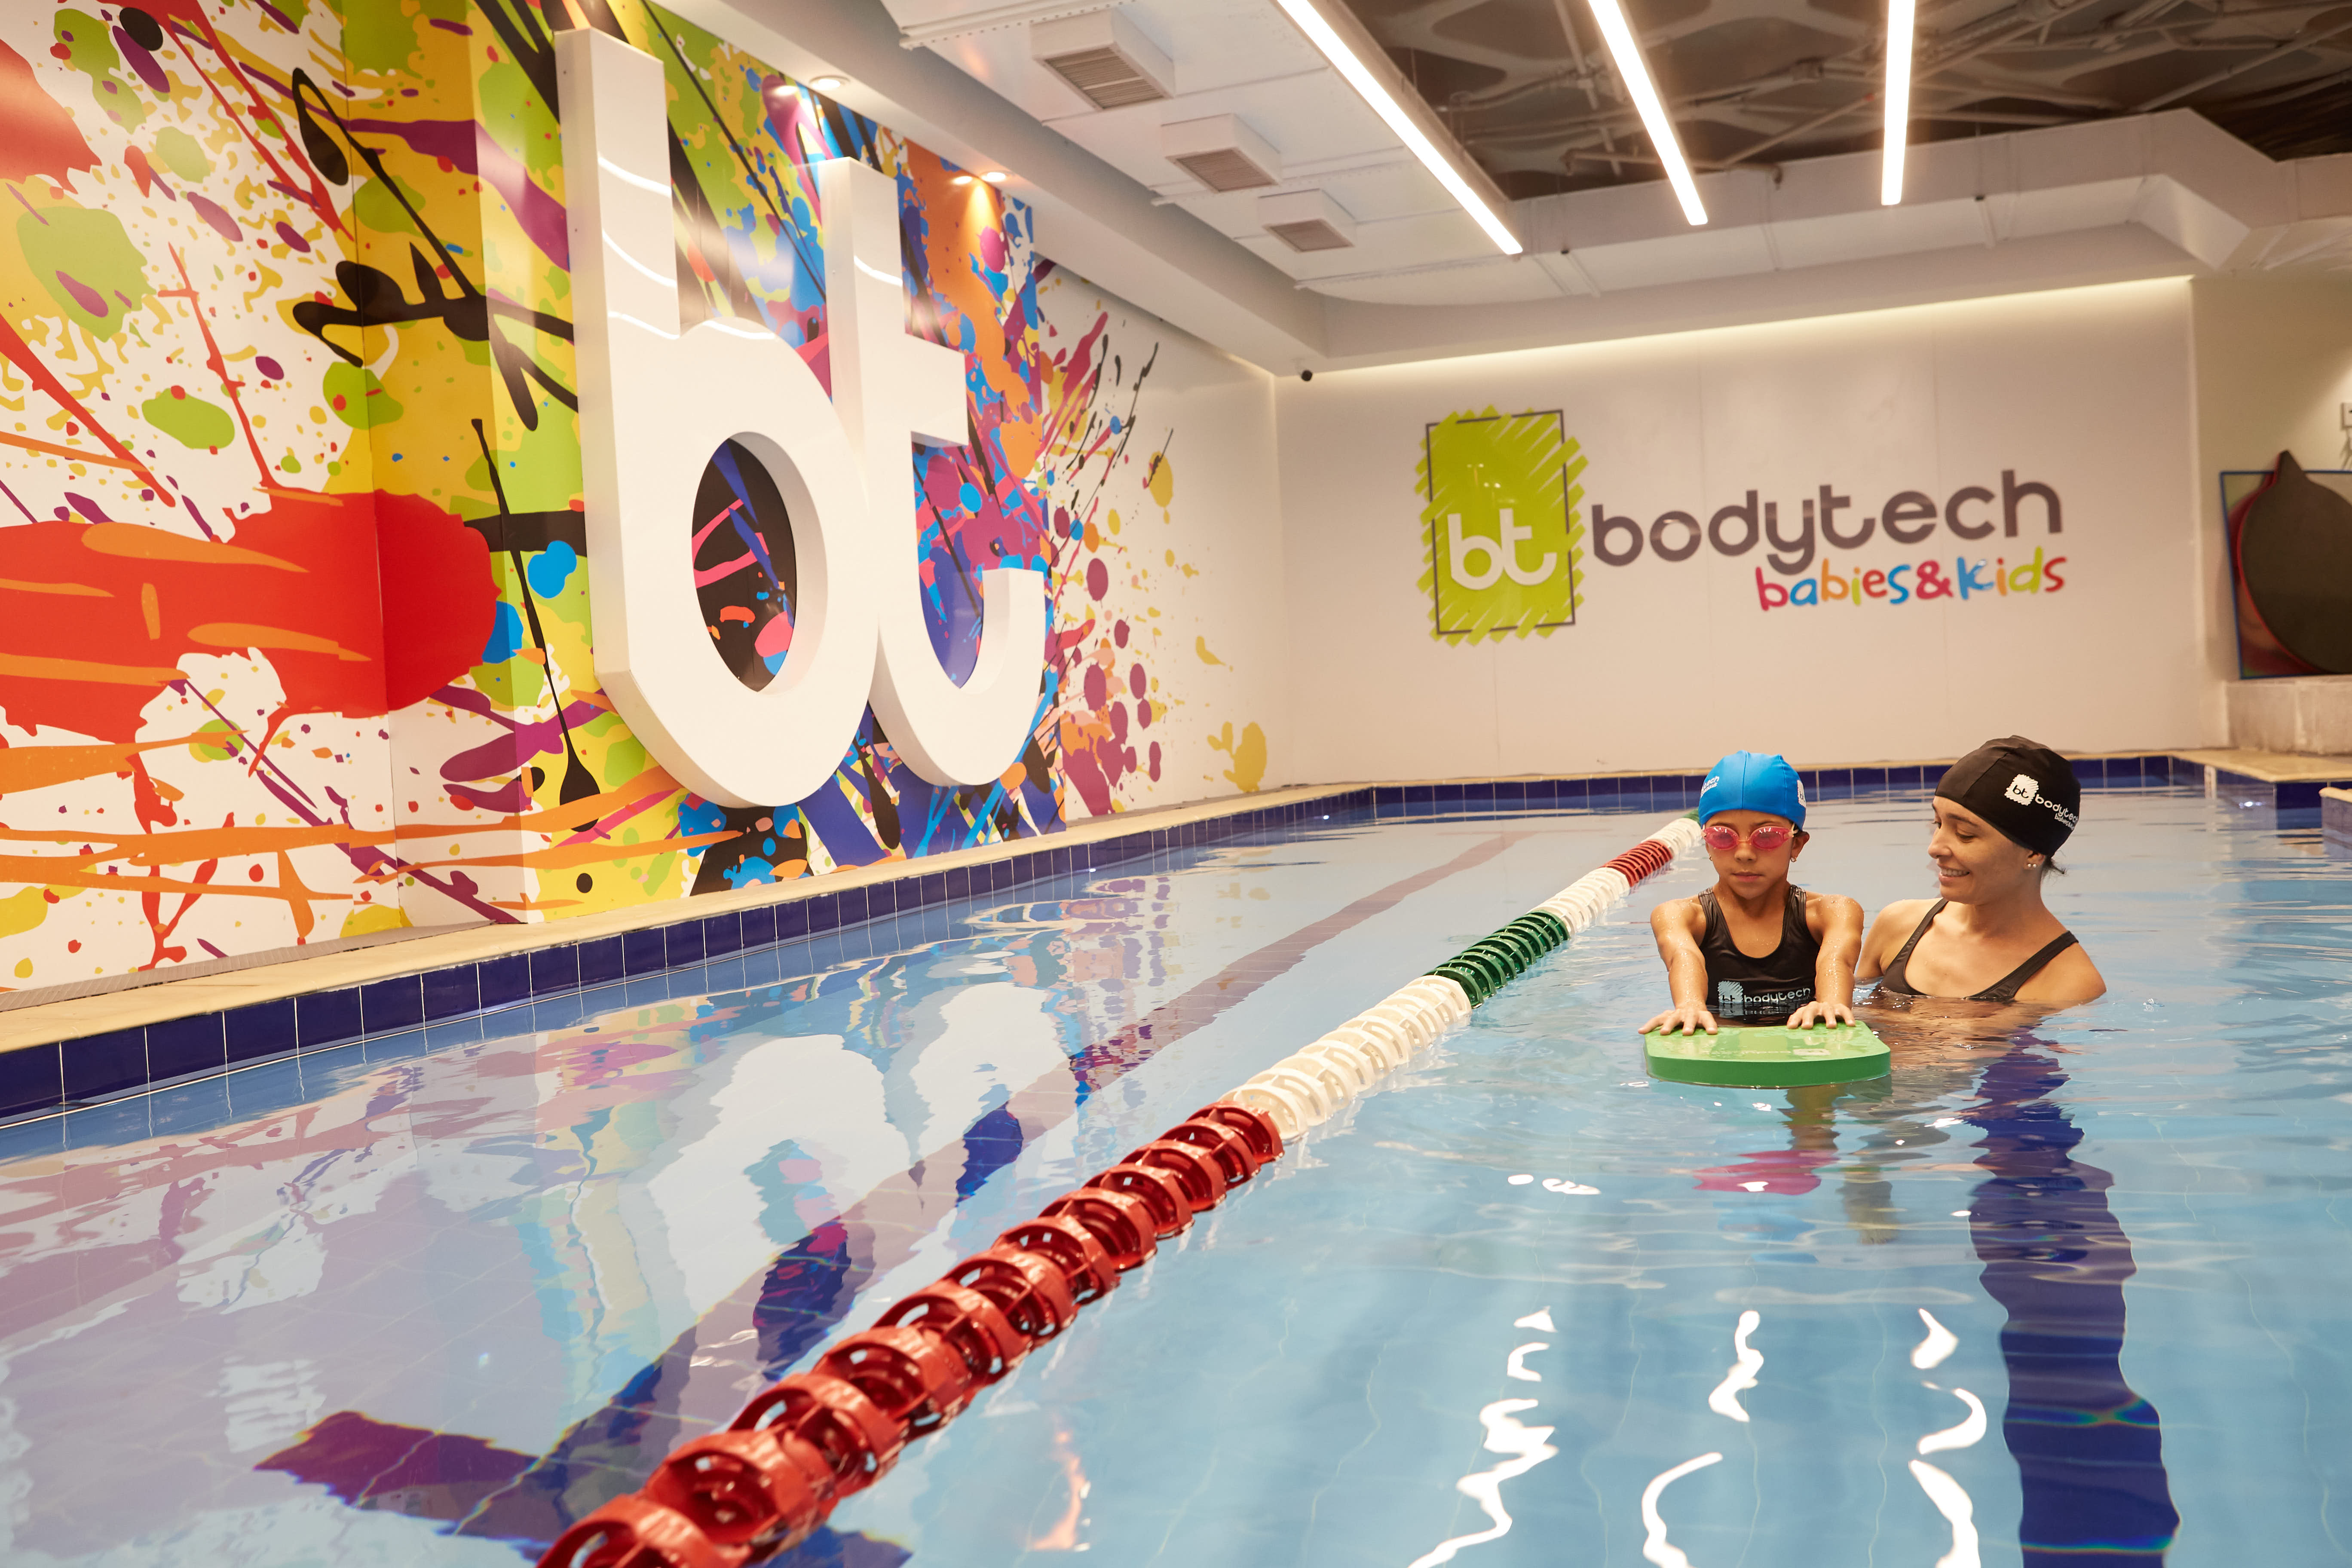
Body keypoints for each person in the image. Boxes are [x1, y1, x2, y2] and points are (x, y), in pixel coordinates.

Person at [1858, 735, 2105, 1008]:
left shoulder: (2069, 982)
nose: (1935, 847)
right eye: (1938, 823)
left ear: (2033, 853)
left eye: (1965, 835)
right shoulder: (1899, 925)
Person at [1642, 750, 1865, 1035]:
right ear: (1707, 844)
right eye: (1723, 836)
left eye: (1767, 836)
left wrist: (1830, 1004)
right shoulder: (1679, 916)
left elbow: (1838, 960)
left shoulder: (1831, 912)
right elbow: (1682, 956)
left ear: (1796, 845)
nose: (1745, 854)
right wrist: (1689, 1005)